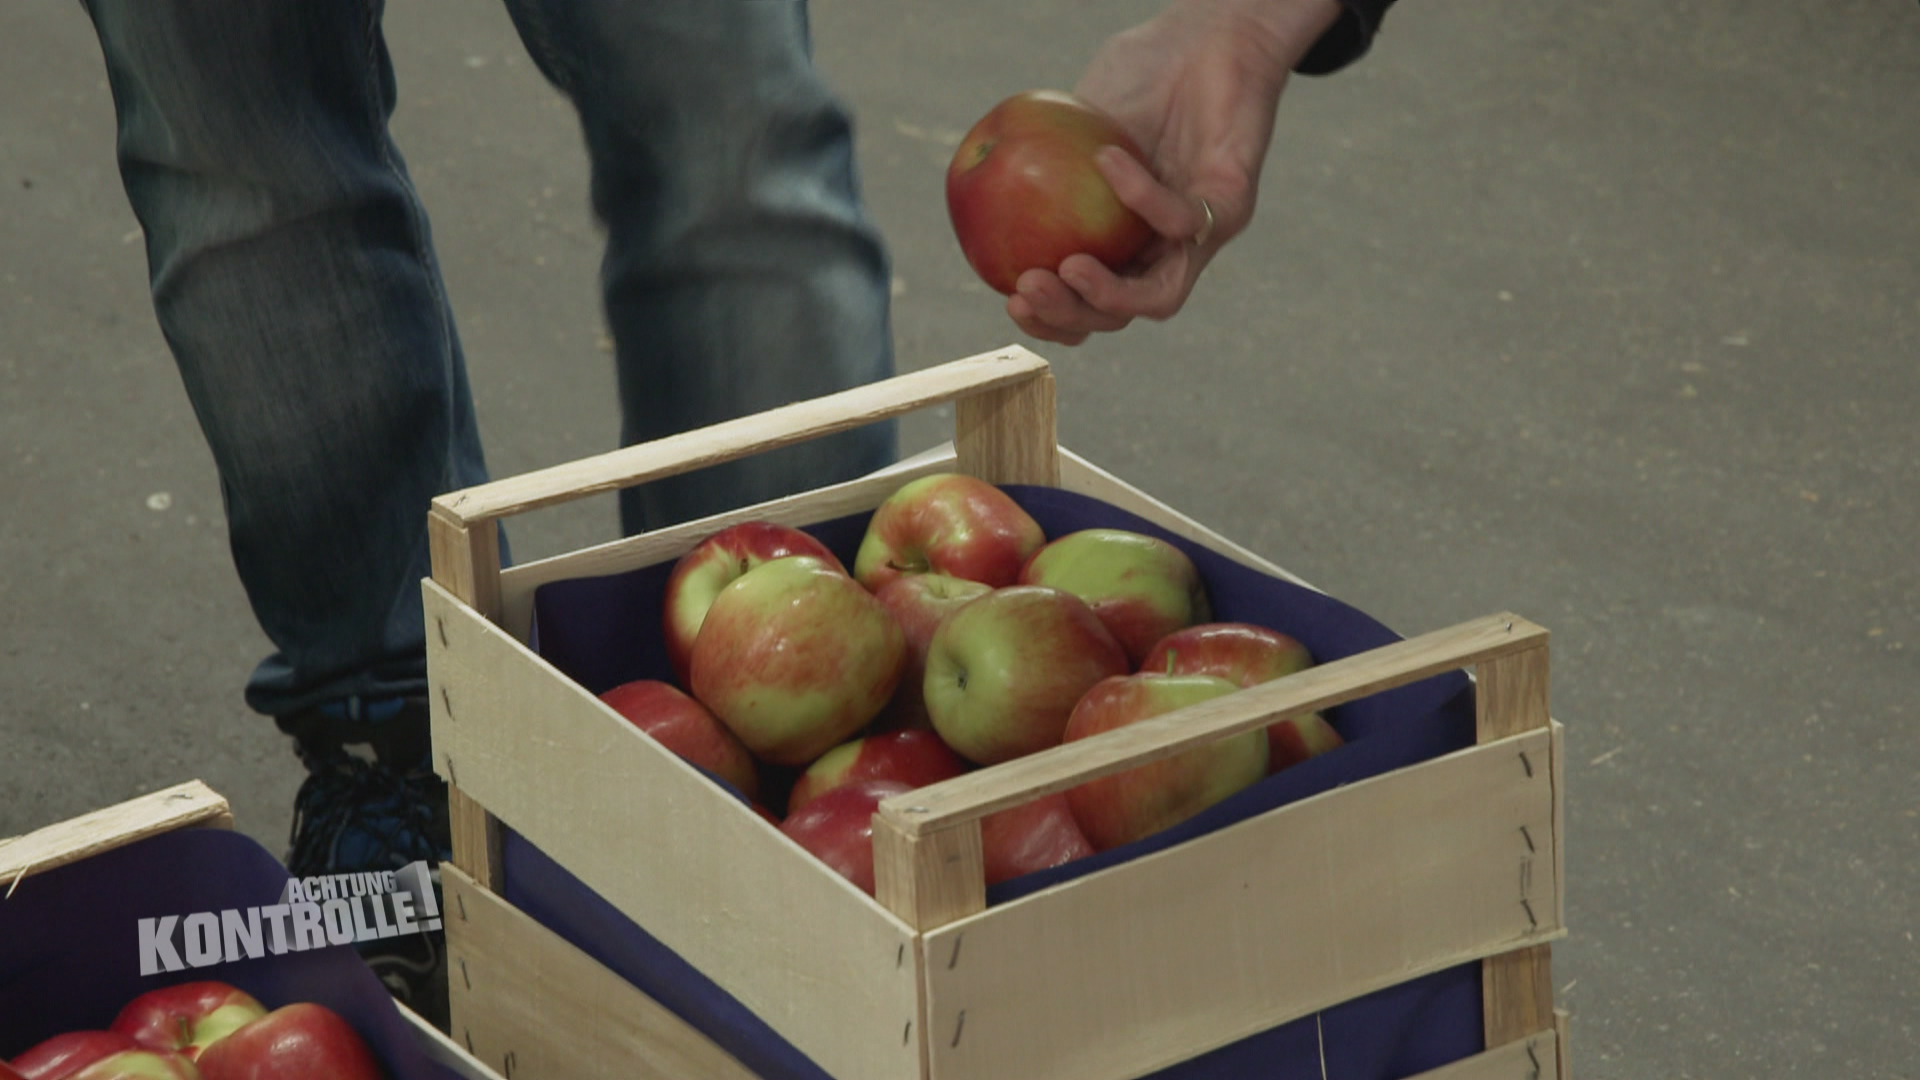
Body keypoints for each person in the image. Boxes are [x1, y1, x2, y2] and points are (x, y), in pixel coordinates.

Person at [77, 0, 1398, 1029]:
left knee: (731, 137)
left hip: (897, 685)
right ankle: (393, 752)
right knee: (245, 162)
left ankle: (765, 804)